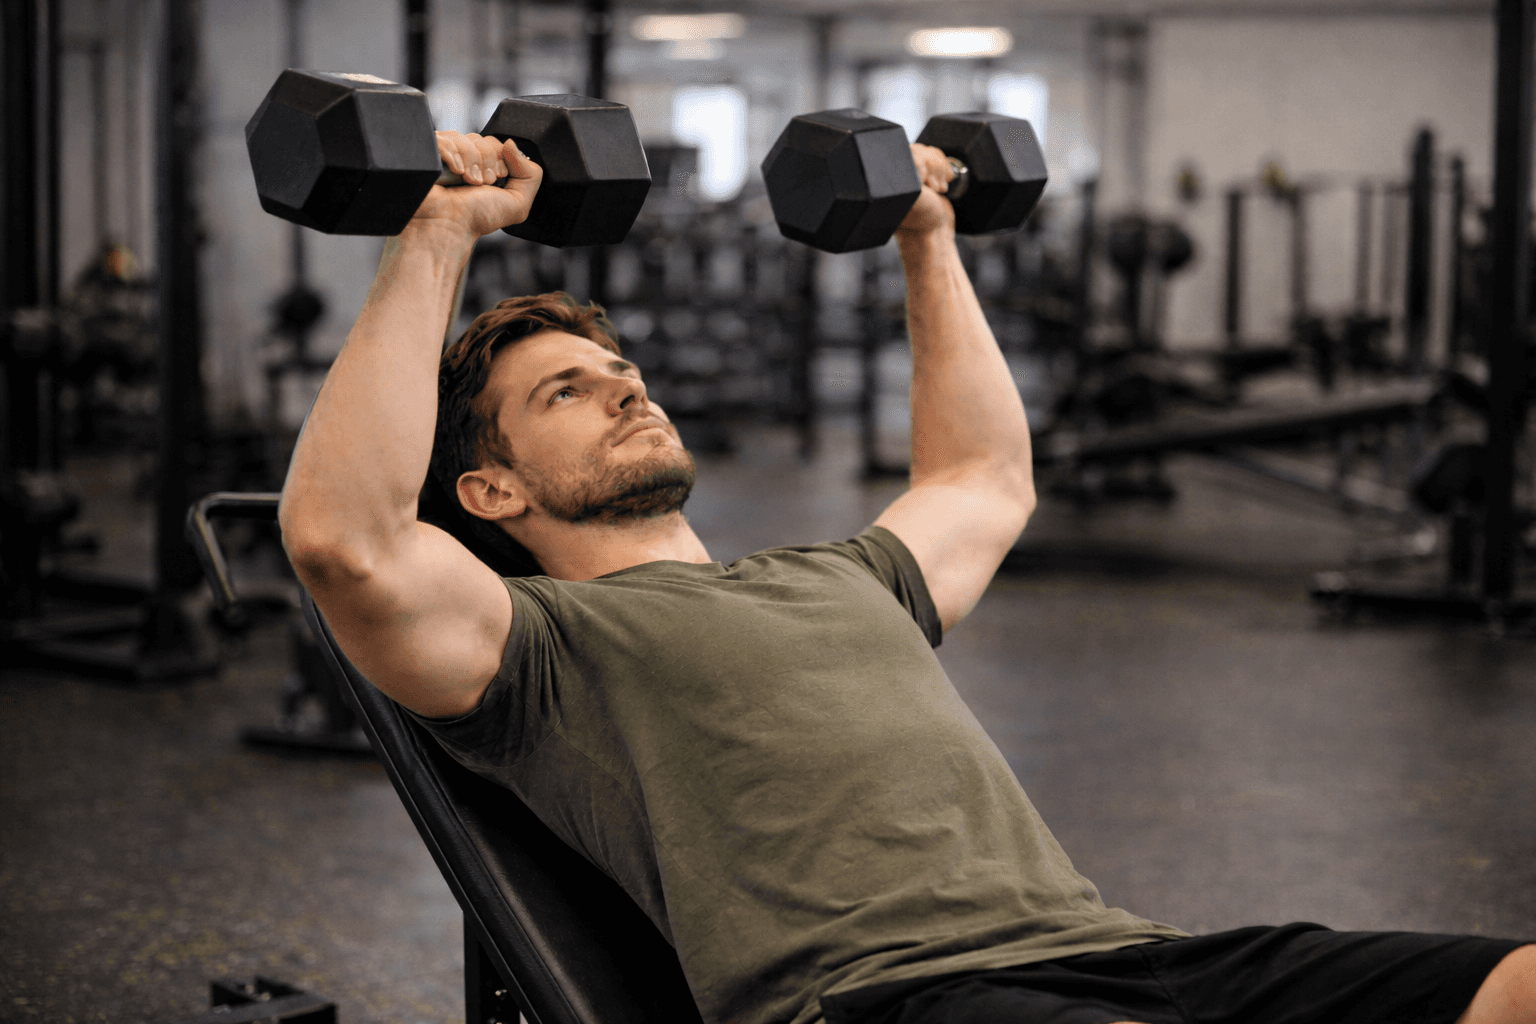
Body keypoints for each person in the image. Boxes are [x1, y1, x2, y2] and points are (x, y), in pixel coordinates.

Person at [278, 131, 1534, 1024]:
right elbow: (351, 541)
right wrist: (442, 227)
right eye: (568, 390)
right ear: (491, 491)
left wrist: (927, 234)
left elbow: (986, 474)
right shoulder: (536, 647)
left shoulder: (843, 574)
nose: (626, 385)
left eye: (625, 375)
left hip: (1125, 954)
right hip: (893, 997)